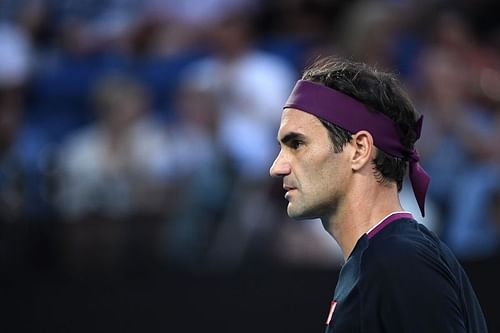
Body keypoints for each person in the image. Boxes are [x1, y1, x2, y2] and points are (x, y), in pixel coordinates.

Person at [269, 57, 488, 332]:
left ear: (360, 149)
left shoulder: (400, 261)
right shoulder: (385, 258)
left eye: (297, 143)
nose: (277, 167)